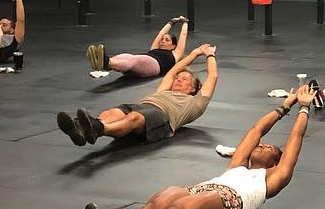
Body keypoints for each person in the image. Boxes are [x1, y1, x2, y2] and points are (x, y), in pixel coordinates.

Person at [65, 84, 315, 209]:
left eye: (271, 148)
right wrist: (284, 107)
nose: (264, 145)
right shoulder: (238, 165)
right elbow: (256, 131)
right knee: (157, 204)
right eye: (264, 144)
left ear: (276, 162)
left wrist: (303, 107)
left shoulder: (273, 178)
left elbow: (296, 138)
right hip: (202, 189)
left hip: (228, 201)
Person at [55, 43, 218, 147]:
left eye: (184, 79)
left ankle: (99, 129)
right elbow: (173, 71)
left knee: (134, 118)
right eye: (178, 78)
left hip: (163, 117)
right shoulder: (164, 91)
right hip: (141, 106)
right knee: (112, 112)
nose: (178, 80)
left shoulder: (195, 103)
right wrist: (194, 53)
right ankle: (82, 130)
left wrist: (209, 54)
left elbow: (213, 76)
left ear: (193, 88)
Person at [86, 16, 189, 78]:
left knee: (135, 60)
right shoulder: (154, 49)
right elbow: (160, 34)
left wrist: (184, 22)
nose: (162, 41)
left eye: (167, 40)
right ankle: (105, 64)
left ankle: (106, 62)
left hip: (155, 65)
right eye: (162, 39)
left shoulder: (176, 53)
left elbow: (183, 36)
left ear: (173, 45)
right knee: (126, 56)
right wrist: (171, 22)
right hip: (143, 64)